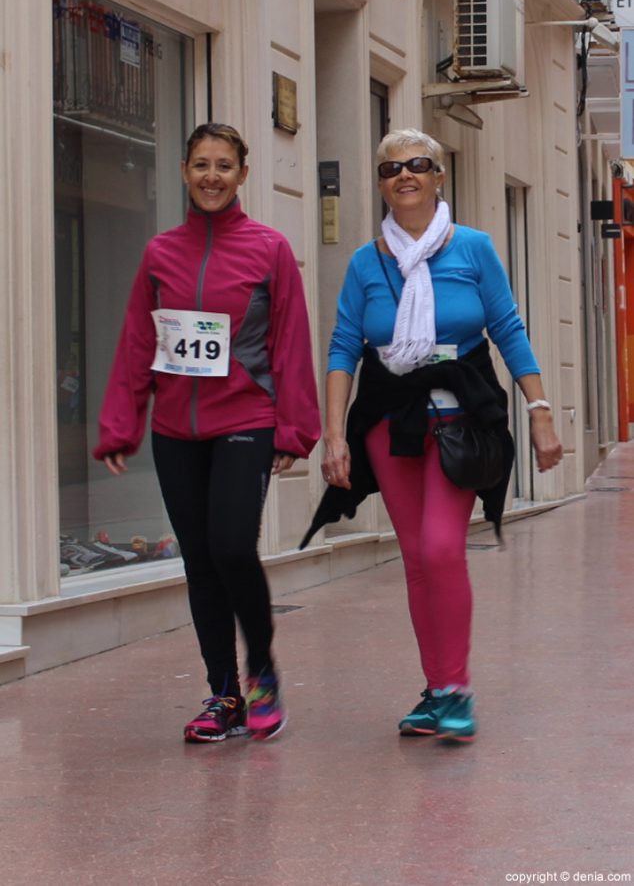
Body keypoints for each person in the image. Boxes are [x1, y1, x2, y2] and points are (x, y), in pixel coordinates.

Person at [310, 128, 562, 743]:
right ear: (380, 183)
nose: (405, 175)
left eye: (418, 165)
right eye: (391, 168)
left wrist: (540, 407)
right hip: (389, 423)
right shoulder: (366, 263)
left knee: (445, 548)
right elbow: (346, 345)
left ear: (439, 177)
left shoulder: (472, 248)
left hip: (460, 419)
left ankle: (455, 688)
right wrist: (334, 433)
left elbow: (506, 327)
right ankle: (437, 689)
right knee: (418, 560)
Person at [93, 122, 320, 743]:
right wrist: (121, 424)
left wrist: (293, 430)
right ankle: (223, 694)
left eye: (224, 165)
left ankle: (262, 674)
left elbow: (290, 341)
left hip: (245, 421)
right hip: (174, 430)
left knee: (231, 549)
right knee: (199, 561)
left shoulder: (268, 249)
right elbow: (139, 342)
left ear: (243, 174)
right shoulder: (159, 252)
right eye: (201, 165)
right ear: (185, 172)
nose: (212, 176)